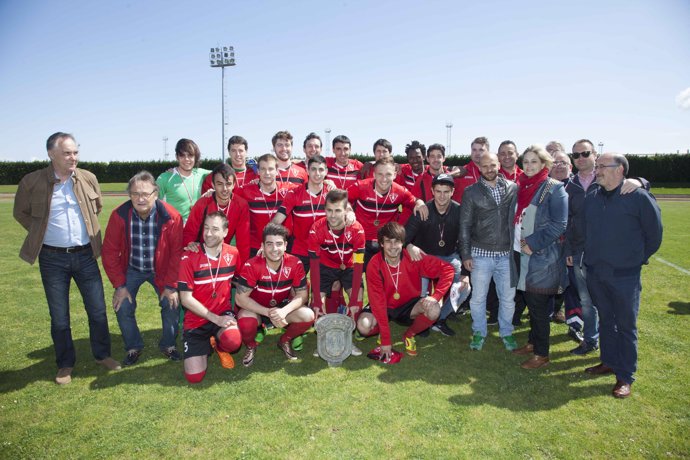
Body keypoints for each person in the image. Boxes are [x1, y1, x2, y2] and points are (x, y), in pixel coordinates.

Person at [13, 132, 120, 384]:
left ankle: (102, 355)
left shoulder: (88, 179)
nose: (73, 157)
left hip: (85, 255)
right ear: (52, 154)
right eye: (67, 153)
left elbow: (97, 208)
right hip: (52, 258)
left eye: (75, 152)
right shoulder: (31, 181)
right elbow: (21, 212)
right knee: (59, 315)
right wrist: (40, 231)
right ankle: (64, 364)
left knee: (97, 311)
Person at [582, 153, 662, 398]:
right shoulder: (593, 196)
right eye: (597, 166)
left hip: (625, 275)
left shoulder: (638, 197)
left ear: (619, 170)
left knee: (626, 325)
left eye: (602, 166)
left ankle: (625, 376)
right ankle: (608, 361)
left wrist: (635, 259)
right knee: (606, 320)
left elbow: (655, 234)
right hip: (596, 272)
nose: (597, 170)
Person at [565, 140, 648, 356]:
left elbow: (641, 186)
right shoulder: (569, 185)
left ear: (594, 154)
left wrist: (640, 181)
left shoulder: (609, 176)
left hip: (609, 256)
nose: (580, 158)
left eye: (585, 153)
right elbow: (568, 221)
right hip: (580, 253)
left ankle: (616, 355)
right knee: (586, 301)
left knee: (612, 307)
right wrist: (569, 252)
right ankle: (591, 340)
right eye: (576, 155)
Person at [102, 171, 184, 366]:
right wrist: (120, 285)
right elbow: (109, 252)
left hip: (161, 269)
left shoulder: (172, 216)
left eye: (145, 194)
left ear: (155, 193)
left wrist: (171, 286)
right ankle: (133, 346)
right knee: (122, 305)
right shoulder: (119, 215)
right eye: (135, 194)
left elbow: (177, 254)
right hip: (132, 268)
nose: (140, 198)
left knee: (171, 303)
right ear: (129, 195)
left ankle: (168, 344)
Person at [357, 222, 455, 358]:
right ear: (381, 244)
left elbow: (448, 269)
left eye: (396, 241)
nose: (392, 246)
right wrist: (386, 340)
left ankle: (409, 335)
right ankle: (380, 329)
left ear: (402, 242)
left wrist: (435, 296)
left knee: (434, 310)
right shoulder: (374, 264)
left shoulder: (413, 257)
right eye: (388, 242)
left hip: (408, 305)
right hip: (384, 305)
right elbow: (378, 303)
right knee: (363, 326)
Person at [511, 145, 568, 369]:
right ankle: (533, 343)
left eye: (534, 161)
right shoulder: (522, 186)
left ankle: (542, 354)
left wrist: (533, 244)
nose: (529, 165)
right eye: (526, 161)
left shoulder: (555, 189)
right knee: (529, 301)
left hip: (542, 257)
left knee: (538, 307)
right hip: (521, 254)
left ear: (544, 164)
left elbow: (559, 225)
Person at [459, 153, 519, 351]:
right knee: (478, 298)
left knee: (508, 298)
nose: (489, 169)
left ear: (499, 164)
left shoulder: (513, 188)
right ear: (479, 168)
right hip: (480, 254)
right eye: (484, 166)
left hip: (506, 254)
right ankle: (479, 331)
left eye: (492, 165)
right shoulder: (471, 192)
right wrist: (466, 254)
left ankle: (507, 332)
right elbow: (465, 225)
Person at [234, 224, 313, 366]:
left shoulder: (295, 263)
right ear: (262, 246)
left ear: (286, 245)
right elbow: (240, 298)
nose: (274, 249)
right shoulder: (252, 265)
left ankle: (284, 340)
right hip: (256, 309)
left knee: (308, 315)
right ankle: (251, 345)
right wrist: (268, 313)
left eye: (279, 244)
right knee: (246, 322)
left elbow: (302, 294)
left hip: (281, 308)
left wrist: (284, 311)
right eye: (269, 244)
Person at [178, 212, 242, 383]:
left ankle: (220, 347)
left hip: (222, 314)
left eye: (215, 229)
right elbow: (185, 299)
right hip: (196, 321)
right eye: (206, 228)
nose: (208, 233)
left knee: (233, 341)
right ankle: (207, 343)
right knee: (194, 377)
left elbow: (242, 280)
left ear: (225, 232)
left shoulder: (233, 253)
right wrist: (215, 319)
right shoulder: (188, 256)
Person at [405, 173, 471, 336]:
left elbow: (465, 240)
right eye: (438, 191)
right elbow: (404, 237)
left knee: (465, 288)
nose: (442, 196)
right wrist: (409, 245)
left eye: (446, 191)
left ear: (452, 191)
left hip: (449, 257)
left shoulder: (459, 210)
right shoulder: (423, 210)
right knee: (421, 293)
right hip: (425, 258)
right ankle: (422, 320)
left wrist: (465, 272)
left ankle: (439, 318)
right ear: (432, 191)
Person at [308, 189, 366, 356]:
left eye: (338, 210)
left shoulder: (357, 229)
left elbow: (359, 264)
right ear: (325, 209)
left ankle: (348, 339)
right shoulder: (316, 229)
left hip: (349, 266)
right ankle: (325, 341)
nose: (333, 215)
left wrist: (354, 297)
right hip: (325, 267)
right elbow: (314, 266)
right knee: (317, 305)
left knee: (357, 300)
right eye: (329, 210)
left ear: (346, 210)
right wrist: (317, 299)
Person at [347, 157, 428, 268]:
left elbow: (414, 201)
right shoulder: (360, 186)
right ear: (374, 174)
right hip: (360, 243)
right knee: (356, 276)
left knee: (384, 280)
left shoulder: (400, 191)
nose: (384, 179)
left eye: (388, 174)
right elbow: (342, 199)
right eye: (380, 174)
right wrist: (348, 210)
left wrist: (420, 203)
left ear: (394, 175)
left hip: (385, 244)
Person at [271, 155, 332, 270]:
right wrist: (266, 240)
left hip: (325, 249)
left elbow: (345, 210)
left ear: (326, 172)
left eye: (321, 169)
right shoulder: (295, 193)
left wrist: (350, 213)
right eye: (313, 169)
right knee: (297, 286)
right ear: (307, 171)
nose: (317, 173)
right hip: (300, 248)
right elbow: (277, 220)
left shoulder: (331, 193)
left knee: (322, 286)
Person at [184, 163, 250, 266]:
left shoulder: (241, 205)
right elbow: (189, 232)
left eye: (228, 184)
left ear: (234, 184)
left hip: (223, 254)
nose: (224, 189)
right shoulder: (203, 203)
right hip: (201, 252)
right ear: (213, 185)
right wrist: (189, 243)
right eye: (219, 184)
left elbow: (243, 242)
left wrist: (240, 272)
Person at [234, 153, 294, 256]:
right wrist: (212, 192)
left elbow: (311, 188)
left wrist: (328, 183)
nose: (267, 173)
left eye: (271, 169)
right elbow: (226, 195)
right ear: (258, 171)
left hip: (281, 247)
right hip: (255, 247)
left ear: (277, 171)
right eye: (263, 169)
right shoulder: (246, 190)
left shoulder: (289, 189)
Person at [156, 138, 211, 222]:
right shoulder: (165, 178)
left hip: (196, 229)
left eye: (190, 155)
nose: (187, 159)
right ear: (177, 157)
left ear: (195, 157)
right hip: (175, 231)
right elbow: (153, 204)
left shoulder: (201, 174)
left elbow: (224, 173)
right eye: (182, 155)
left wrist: (213, 190)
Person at [452, 136, 489, 204]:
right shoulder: (461, 172)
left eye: (481, 150)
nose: (477, 153)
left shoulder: (493, 173)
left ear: (488, 152)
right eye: (474, 150)